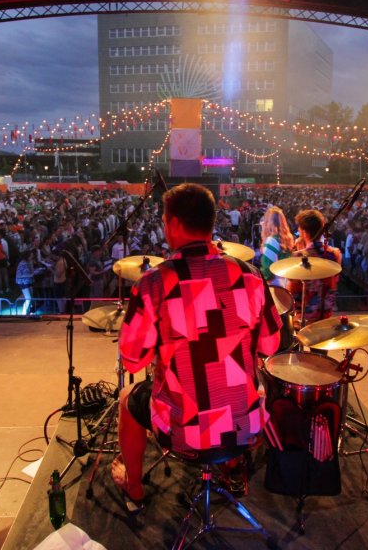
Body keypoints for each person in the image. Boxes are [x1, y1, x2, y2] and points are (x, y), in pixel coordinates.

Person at [112, 183, 282, 511]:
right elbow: (271, 344)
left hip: (181, 431)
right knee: (231, 390)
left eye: (164, 222)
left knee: (126, 400)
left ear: (174, 224)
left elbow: (132, 361)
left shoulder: (152, 284)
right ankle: (232, 468)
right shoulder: (251, 275)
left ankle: (133, 487)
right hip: (245, 425)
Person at [288, 209, 342, 325]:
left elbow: (292, 290)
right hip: (326, 314)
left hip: (304, 318)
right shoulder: (335, 253)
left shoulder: (298, 256)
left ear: (304, 232)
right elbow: (334, 281)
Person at [259, 206, 295, 286]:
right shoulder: (287, 239)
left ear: (269, 223)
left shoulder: (272, 241)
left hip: (275, 286)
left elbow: (268, 270)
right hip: (286, 284)